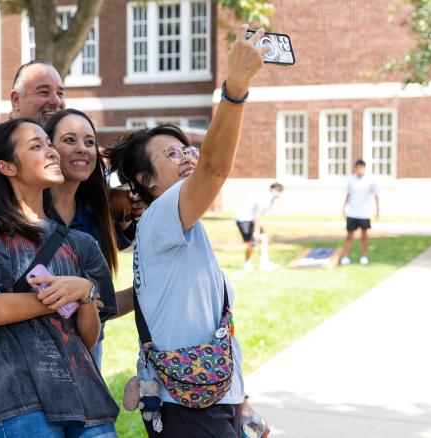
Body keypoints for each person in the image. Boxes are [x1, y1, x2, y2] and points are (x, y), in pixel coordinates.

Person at [105, 24, 270, 437]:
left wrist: (243, 403)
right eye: (172, 153)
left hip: (212, 396)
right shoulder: (162, 216)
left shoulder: (183, 226)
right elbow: (215, 169)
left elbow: (209, 322)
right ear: (145, 178)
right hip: (190, 409)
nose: (188, 157)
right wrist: (235, 88)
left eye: (188, 149)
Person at [0, 118, 119, 437]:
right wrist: (65, 295)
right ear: (7, 167)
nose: (52, 152)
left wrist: (84, 292)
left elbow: (87, 338)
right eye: (36, 146)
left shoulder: (81, 244)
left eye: (49, 143)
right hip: (20, 399)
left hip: (88, 398)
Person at [44, 108, 138, 370]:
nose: (83, 149)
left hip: (87, 349)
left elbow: (100, 301)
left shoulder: (97, 215)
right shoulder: (25, 213)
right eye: (69, 140)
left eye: (89, 142)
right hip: (35, 351)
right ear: (47, 148)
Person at [235, 182, 283, 271]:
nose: (279, 194)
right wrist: (256, 231)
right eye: (279, 191)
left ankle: (264, 263)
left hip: (250, 220)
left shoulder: (270, 198)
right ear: (273, 190)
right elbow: (257, 215)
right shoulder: (267, 197)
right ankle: (247, 263)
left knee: (264, 238)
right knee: (252, 242)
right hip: (245, 220)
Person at [340, 159, 379, 266]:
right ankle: (346, 257)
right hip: (352, 212)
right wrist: (344, 208)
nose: (359, 170)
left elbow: (376, 195)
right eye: (358, 168)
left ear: (364, 168)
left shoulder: (370, 181)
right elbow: (348, 194)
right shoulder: (351, 180)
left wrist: (377, 210)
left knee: (364, 236)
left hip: (364, 213)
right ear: (355, 168)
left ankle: (364, 256)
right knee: (349, 236)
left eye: (361, 168)